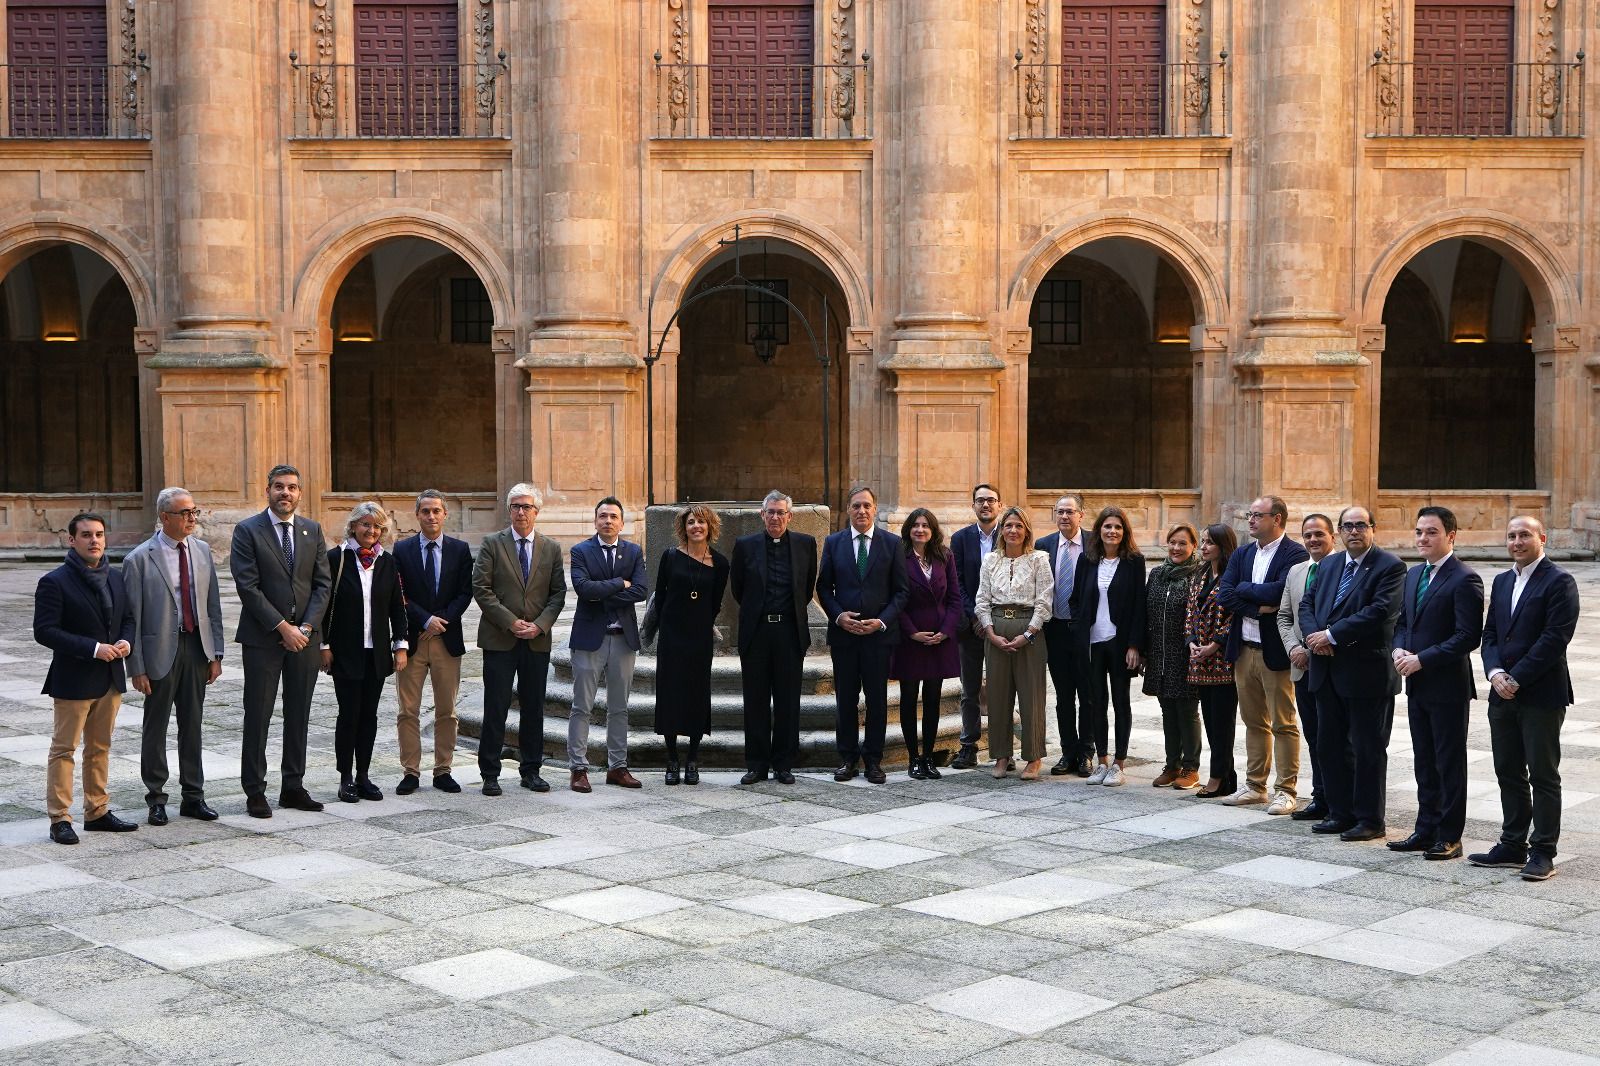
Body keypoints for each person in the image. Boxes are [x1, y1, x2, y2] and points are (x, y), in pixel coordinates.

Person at [1472, 515, 1580, 882]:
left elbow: (1554, 640)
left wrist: (1516, 679)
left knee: (1543, 774)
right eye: (1512, 535)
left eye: (1524, 535)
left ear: (1542, 538)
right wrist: (1495, 673)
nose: (1517, 541)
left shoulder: (1559, 582)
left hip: (1540, 694)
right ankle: (1512, 844)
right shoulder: (1502, 581)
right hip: (1501, 692)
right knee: (1507, 771)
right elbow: (1489, 635)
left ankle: (1544, 851)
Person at [230, 464, 332, 818]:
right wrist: (281, 627)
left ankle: (293, 786)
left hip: (304, 640)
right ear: (268, 491)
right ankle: (255, 791)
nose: (285, 493)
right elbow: (248, 586)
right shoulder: (247, 531)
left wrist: (304, 628)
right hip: (263, 639)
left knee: (298, 714)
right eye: (278, 487)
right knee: (258, 714)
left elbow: (323, 585)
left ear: (299, 493)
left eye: (291, 487)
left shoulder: (312, 530)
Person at [1300, 504, 1406, 842]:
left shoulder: (1390, 566)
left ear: (1373, 529)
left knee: (1367, 749)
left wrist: (1331, 635)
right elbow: (1306, 605)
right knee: (1330, 745)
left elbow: (1380, 612)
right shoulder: (1330, 564)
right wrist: (1315, 638)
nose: (1354, 531)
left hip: (1366, 673)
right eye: (1348, 526)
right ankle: (1339, 812)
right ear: (1340, 532)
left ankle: (1370, 819)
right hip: (1327, 670)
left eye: (1361, 525)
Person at [123, 487, 224, 824]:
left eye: (194, 512)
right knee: (156, 726)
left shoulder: (202, 550)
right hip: (158, 653)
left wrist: (216, 653)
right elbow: (131, 619)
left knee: (192, 724)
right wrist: (136, 666)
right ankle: (156, 797)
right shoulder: (139, 558)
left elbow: (213, 606)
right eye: (185, 513)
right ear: (164, 517)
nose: (192, 518)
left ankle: (193, 795)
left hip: (196, 647)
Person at [34, 512, 136, 844]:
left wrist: (125, 641)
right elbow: (45, 631)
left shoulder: (116, 577)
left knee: (100, 748)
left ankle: (97, 812)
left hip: (110, 678)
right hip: (74, 679)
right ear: (72, 540)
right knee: (64, 749)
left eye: (99, 534)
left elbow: (128, 618)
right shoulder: (55, 581)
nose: (94, 540)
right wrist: (93, 648)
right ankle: (60, 818)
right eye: (87, 535)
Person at [1389, 506, 1483, 862]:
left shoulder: (1464, 578)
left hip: (1447, 686)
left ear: (1451, 536)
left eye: (1431, 532)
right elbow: (1402, 622)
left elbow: (1467, 636)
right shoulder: (1414, 575)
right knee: (1423, 759)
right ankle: (1425, 827)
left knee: (1448, 761)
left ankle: (1449, 835)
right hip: (1417, 684)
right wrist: (1399, 648)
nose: (1423, 538)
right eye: (1419, 532)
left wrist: (1422, 659)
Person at [1218, 495, 1309, 815]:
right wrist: (1258, 608)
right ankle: (1255, 786)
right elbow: (1225, 594)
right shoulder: (1242, 553)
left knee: (1283, 722)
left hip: (1276, 652)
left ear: (1278, 519)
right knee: (1253, 721)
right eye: (1250, 515)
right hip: (1243, 649)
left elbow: (1280, 593)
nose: (1251, 521)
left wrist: (1246, 592)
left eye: (1258, 515)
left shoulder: (1295, 553)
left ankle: (1286, 790)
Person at [473, 484, 565, 796]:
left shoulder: (551, 548)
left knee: (533, 707)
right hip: (500, 638)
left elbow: (558, 594)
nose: (521, 512)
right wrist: (511, 622)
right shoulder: (492, 544)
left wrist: (539, 626)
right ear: (509, 510)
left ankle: (531, 770)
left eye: (526, 506)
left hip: (536, 642)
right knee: (495, 706)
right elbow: (481, 588)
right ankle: (490, 773)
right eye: (515, 506)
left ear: (537, 512)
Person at [817, 485, 909, 784]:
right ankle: (847, 758)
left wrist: (881, 622)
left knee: (877, 700)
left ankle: (873, 760)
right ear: (848, 509)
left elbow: (901, 591)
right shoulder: (834, 543)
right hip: (844, 636)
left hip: (878, 637)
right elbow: (823, 587)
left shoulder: (892, 544)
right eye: (856, 506)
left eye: (867, 506)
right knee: (845, 699)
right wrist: (839, 616)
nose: (861, 511)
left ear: (875, 508)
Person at [319, 503, 409, 802]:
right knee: (349, 715)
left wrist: (400, 645)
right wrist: (324, 645)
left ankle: (364, 776)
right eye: (366, 525)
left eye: (377, 527)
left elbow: (397, 607)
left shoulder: (387, 562)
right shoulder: (336, 559)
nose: (371, 531)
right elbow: (324, 605)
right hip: (344, 651)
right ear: (354, 526)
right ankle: (345, 777)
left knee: (369, 716)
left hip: (377, 652)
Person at [731, 490, 818, 785]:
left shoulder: (806, 544)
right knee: (754, 699)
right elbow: (739, 589)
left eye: (781, 512)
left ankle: (783, 763)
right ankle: (756, 763)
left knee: (787, 701)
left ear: (790, 516)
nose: (776, 517)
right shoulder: (745, 546)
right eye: (771, 512)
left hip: (789, 632)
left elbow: (806, 589)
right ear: (762, 514)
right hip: (757, 632)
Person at [391, 490, 474, 795]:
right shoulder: (402, 550)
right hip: (412, 639)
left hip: (446, 640)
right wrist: (425, 620)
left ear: (445, 514)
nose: (431, 516)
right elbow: (398, 593)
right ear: (417, 515)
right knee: (407, 710)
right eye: (425, 511)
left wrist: (441, 622)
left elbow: (466, 592)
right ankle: (410, 771)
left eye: (436, 511)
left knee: (446, 710)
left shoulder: (460, 550)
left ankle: (443, 770)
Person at [568, 496, 648, 792]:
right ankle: (578, 768)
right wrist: (619, 583)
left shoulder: (633, 551)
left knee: (619, 708)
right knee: (582, 706)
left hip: (623, 640)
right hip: (590, 640)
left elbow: (641, 590)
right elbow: (583, 588)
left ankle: (618, 767)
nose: (608, 521)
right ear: (595, 520)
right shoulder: (580, 551)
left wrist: (603, 592)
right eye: (603, 516)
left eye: (613, 516)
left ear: (622, 522)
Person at [652, 503, 730, 785]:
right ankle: (672, 759)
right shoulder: (670, 557)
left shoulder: (720, 564)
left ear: (710, 527)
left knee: (697, 695)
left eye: (701, 522)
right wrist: (667, 628)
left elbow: (716, 602)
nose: (696, 526)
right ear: (683, 528)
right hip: (672, 637)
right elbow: (660, 597)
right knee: (671, 695)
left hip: (699, 639)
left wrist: (700, 625)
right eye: (691, 522)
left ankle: (692, 760)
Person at [974, 506, 1052, 779]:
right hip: (996, 630)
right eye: (1008, 525)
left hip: (1028, 631)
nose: (1013, 531)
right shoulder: (990, 560)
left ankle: (1033, 758)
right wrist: (990, 632)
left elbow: (1044, 599)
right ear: (1001, 530)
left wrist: (1028, 633)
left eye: (1019, 526)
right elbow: (982, 599)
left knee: (1031, 696)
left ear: (1027, 530)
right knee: (997, 696)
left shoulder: (1039, 559)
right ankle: (1001, 756)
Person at [1072, 505, 1147, 786]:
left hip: (1119, 642)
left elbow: (1139, 605)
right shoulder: (1087, 560)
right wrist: (1078, 627)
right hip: (1091, 642)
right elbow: (1076, 599)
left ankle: (1119, 763)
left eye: (1117, 527)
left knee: (1121, 702)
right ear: (1099, 530)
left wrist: (1134, 645)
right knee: (1094, 702)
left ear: (1124, 532)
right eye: (1107, 526)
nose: (1112, 531)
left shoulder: (1134, 561)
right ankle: (1101, 761)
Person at [1276, 514, 1339, 822]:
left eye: (1319, 534)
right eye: (1307, 535)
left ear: (1333, 537)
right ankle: (1320, 797)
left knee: (1336, 737)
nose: (1313, 540)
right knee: (1313, 734)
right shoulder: (1297, 571)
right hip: (1301, 666)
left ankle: (1339, 800)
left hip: (1332, 664)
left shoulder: (1343, 569)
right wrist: (1293, 649)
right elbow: (1284, 616)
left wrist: (1312, 650)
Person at [890, 508, 962, 780]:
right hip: (911, 639)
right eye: (916, 525)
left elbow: (955, 597)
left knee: (933, 699)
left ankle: (928, 757)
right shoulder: (899, 557)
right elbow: (896, 598)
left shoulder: (945, 556)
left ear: (933, 530)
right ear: (908, 529)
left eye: (925, 525)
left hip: (940, 639)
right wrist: (912, 632)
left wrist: (945, 631)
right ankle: (912, 758)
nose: (920, 529)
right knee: (909, 699)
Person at [1035, 494, 1093, 777]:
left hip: (1087, 630)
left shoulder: (1094, 543)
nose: (1065, 517)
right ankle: (1067, 752)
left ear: (1081, 515)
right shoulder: (1043, 546)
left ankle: (1087, 752)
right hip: (1055, 628)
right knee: (1063, 695)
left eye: (1070, 512)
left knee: (1088, 694)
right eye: (1060, 512)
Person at [1142, 524, 1203, 789]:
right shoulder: (1156, 574)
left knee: (1187, 710)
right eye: (1172, 543)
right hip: (1159, 653)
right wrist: (1144, 651)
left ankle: (1191, 767)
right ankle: (1172, 764)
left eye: (1183, 544)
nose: (1176, 548)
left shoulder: (1199, 575)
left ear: (1193, 547)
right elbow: (1145, 614)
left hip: (1186, 654)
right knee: (1167, 709)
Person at [949, 484, 1002, 769]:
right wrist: (976, 616)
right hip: (970, 627)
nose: (985, 505)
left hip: (1000, 626)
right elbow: (955, 581)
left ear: (999, 505)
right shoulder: (960, 539)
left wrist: (991, 620)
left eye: (991, 500)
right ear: (973, 506)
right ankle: (968, 746)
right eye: (980, 500)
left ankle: (1000, 748)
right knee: (969, 689)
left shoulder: (1010, 535)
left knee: (1001, 688)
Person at [1188, 523, 1239, 798]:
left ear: (1223, 545)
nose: (1204, 547)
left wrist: (1214, 644)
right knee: (1210, 720)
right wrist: (1193, 642)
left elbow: (1235, 617)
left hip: (1222, 662)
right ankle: (1226, 776)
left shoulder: (1233, 575)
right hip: (1199, 660)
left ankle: (1218, 775)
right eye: (1203, 541)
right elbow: (1190, 612)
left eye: (1209, 542)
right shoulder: (1199, 574)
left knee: (1223, 723)